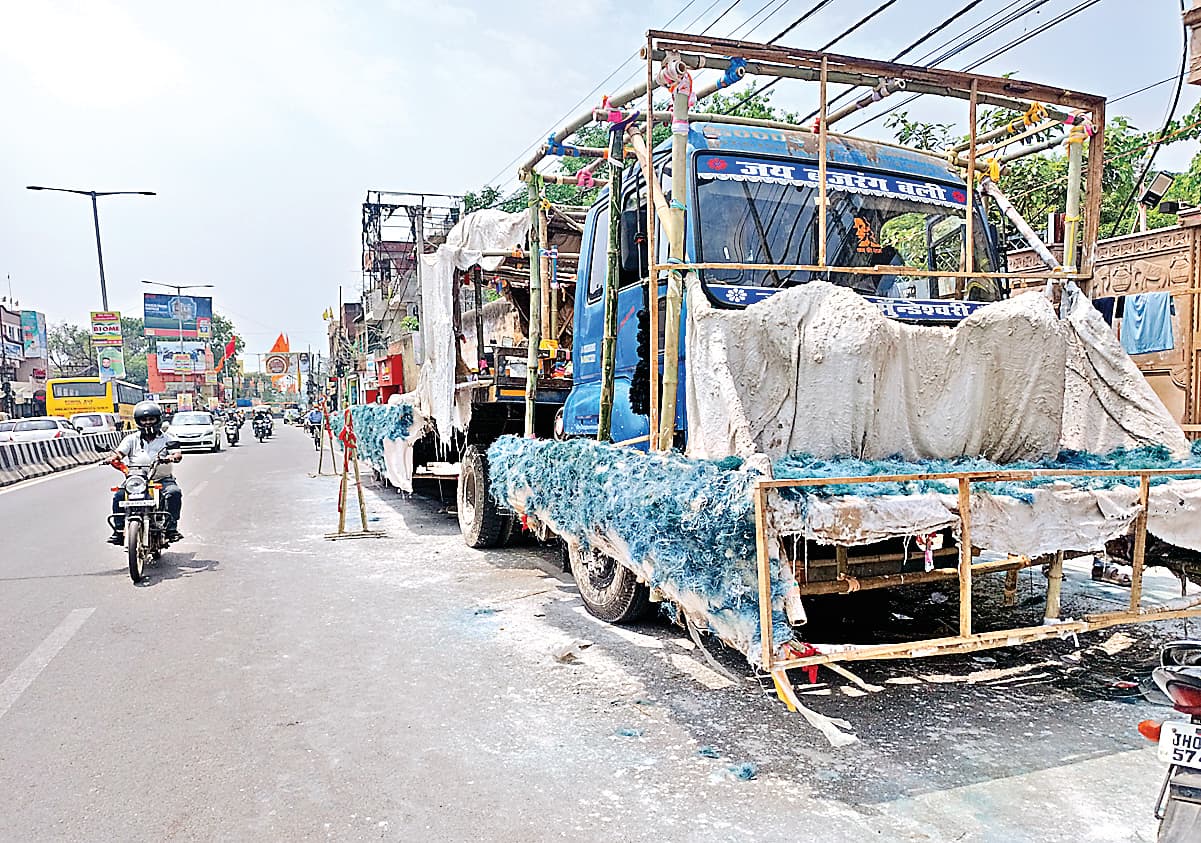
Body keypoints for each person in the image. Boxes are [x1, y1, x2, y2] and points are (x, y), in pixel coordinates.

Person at [107, 401, 184, 545]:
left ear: (158, 420)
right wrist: (113, 457)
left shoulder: (168, 438)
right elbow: (119, 453)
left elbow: (177, 453)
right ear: (138, 422)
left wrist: (171, 457)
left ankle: (171, 529)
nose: (147, 423)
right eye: (144, 420)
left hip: (162, 479)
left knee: (174, 493)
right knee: (118, 495)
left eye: (151, 419)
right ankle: (118, 531)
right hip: (137, 480)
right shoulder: (131, 439)